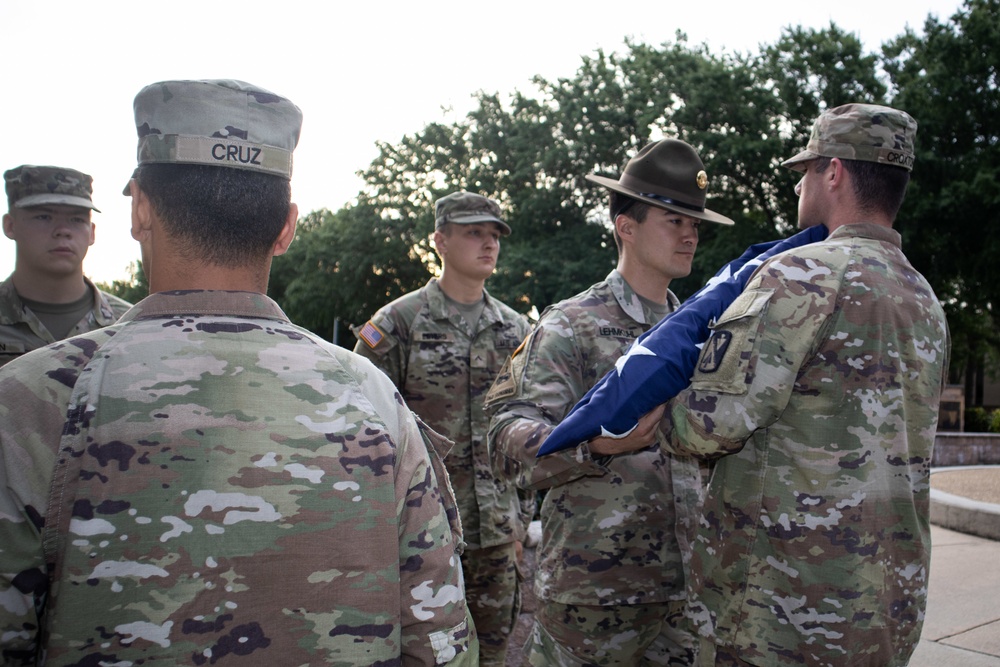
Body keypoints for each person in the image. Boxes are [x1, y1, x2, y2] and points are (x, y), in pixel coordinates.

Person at [0, 78, 476, 666]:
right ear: (287, 227)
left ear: (140, 209)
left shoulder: (29, 400)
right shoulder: (373, 398)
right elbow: (440, 640)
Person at [666, 103, 950, 666]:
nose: (799, 183)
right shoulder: (926, 300)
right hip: (885, 607)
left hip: (781, 613)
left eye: (806, 169)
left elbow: (703, 427)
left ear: (835, 172)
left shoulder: (800, 273)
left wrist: (650, 404)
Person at [486, 138, 735, 666]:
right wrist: (594, 444)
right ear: (626, 225)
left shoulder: (703, 334)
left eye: (695, 223)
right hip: (594, 602)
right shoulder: (571, 325)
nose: (691, 234)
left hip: (686, 600)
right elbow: (505, 441)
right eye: (674, 219)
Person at [353, 191, 531, 666]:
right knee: (423, 652)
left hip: (495, 528)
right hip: (420, 529)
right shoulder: (397, 324)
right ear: (440, 241)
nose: (488, 243)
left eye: (494, 233)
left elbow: (529, 428)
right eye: (474, 231)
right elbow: (361, 426)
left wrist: (520, 518)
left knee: (492, 653)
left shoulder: (516, 331)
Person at [1, 165, 131, 367]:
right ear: (10, 226)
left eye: (76, 219)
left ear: (92, 233)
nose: (63, 230)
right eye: (44, 216)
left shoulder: (127, 324)